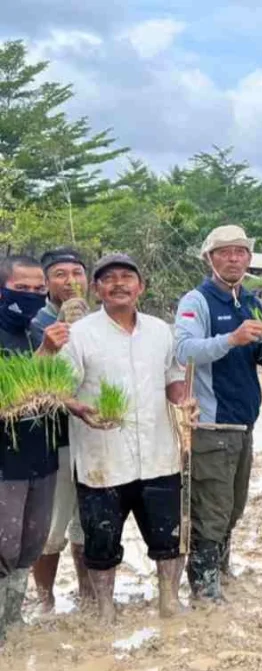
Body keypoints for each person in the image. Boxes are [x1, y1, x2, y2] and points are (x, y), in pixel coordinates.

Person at [62, 253, 192, 623]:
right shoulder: (80, 334)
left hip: (158, 453)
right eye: (109, 278)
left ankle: (169, 601)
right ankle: (105, 609)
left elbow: (173, 376)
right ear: (96, 289)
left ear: (141, 287)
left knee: (169, 537)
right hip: (102, 458)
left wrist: (184, 400)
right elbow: (63, 390)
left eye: (127, 277)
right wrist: (79, 408)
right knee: (101, 541)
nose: (119, 283)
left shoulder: (159, 330)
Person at [174, 225, 262, 601]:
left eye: (240, 252)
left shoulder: (251, 302)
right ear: (209, 258)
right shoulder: (197, 301)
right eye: (225, 252)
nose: (234, 258)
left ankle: (221, 570)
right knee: (212, 510)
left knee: (234, 507)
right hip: (211, 426)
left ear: (249, 259)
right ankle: (204, 590)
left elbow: (258, 359)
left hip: (244, 425)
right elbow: (184, 351)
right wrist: (232, 338)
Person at [29, 248, 93, 611]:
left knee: (85, 522)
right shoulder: (34, 322)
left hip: (93, 435)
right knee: (51, 526)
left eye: (78, 273)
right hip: (53, 440)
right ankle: (45, 600)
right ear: (46, 282)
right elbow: (28, 381)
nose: (71, 281)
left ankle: (87, 594)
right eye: (60, 274)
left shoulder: (97, 320)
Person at [0, 256, 58, 640]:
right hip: (4, 462)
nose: (34, 297)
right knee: (3, 542)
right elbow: (11, 396)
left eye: (40, 290)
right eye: (23, 290)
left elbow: (54, 388)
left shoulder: (39, 330)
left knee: (30, 543)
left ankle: (12, 618)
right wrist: (45, 356)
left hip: (43, 455)